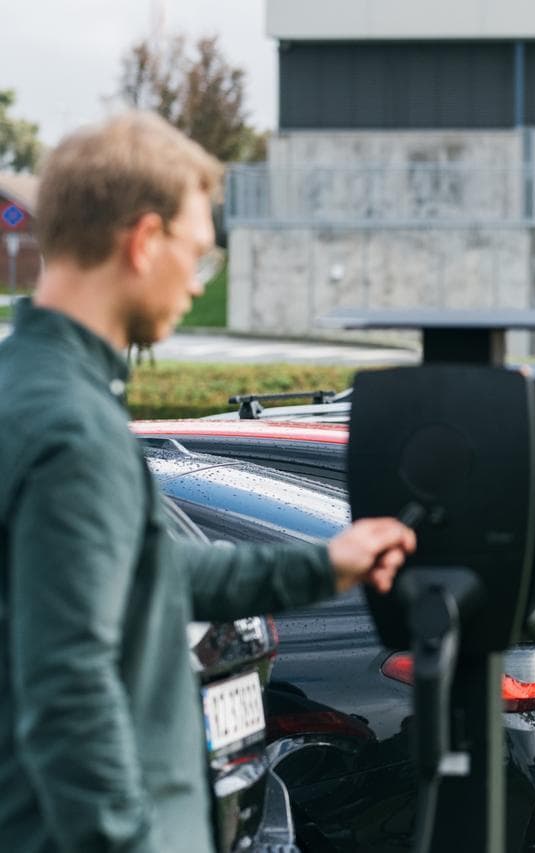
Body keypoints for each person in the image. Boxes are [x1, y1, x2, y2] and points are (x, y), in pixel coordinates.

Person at [0, 112, 417, 852]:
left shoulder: (35, 388)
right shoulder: (71, 427)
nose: (196, 285)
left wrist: (326, 561)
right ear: (143, 240)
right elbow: (69, 689)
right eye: (197, 255)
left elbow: (156, 568)